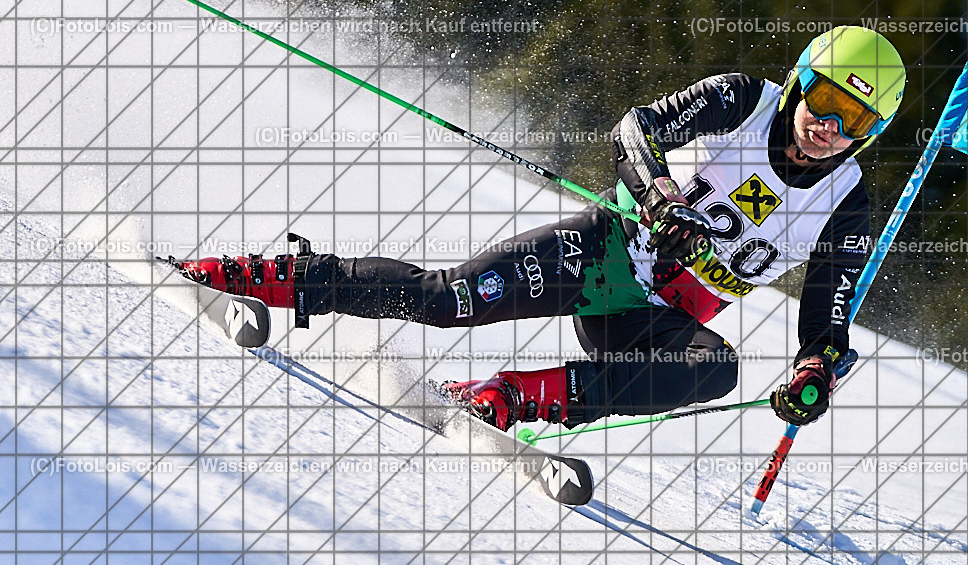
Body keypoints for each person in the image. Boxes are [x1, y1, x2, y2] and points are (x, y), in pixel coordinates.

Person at [170, 26, 905, 433]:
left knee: (717, 367)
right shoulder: (743, 99)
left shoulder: (846, 203)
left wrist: (817, 368)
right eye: (826, 101)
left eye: (856, 121)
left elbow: (827, 317)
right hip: (605, 255)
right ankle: (270, 278)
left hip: (653, 321)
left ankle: (516, 396)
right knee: (445, 300)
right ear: (803, 79)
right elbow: (635, 128)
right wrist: (657, 197)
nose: (829, 127)